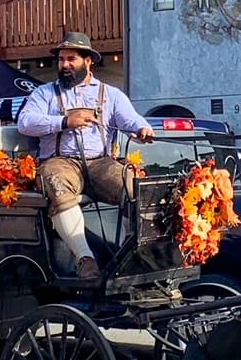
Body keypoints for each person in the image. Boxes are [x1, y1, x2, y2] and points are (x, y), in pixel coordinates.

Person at [17, 31, 154, 280]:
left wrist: (141, 128)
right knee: (56, 183)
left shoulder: (109, 94)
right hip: (59, 161)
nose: (64, 65)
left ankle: (129, 256)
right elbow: (25, 123)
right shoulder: (44, 93)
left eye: (71, 59)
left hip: (100, 162)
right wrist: (64, 121)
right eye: (61, 60)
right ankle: (85, 259)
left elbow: (130, 118)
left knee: (136, 188)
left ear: (88, 61)